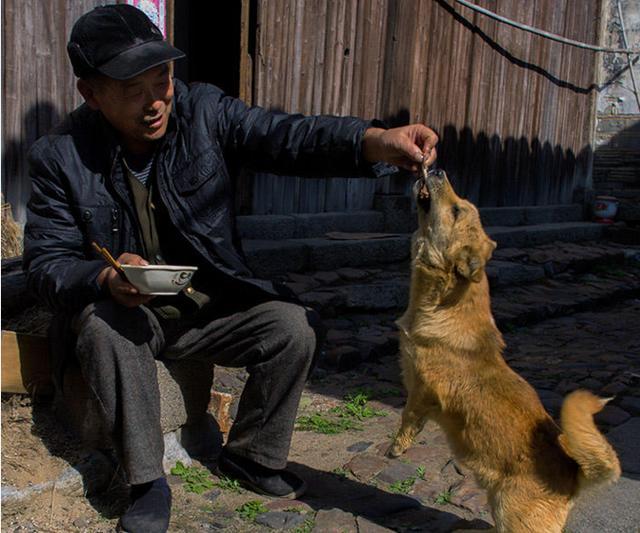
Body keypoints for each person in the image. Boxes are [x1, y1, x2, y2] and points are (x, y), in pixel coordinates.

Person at [23, 4, 438, 533]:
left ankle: (252, 455)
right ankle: (146, 482)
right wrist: (104, 277)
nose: (155, 102)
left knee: (292, 326)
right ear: (91, 93)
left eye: (163, 80)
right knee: (104, 327)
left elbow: (286, 136)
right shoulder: (59, 156)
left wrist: (373, 141)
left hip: (205, 306)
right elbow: (45, 265)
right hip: (128, 315)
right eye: (133, 90)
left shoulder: (204, 112)